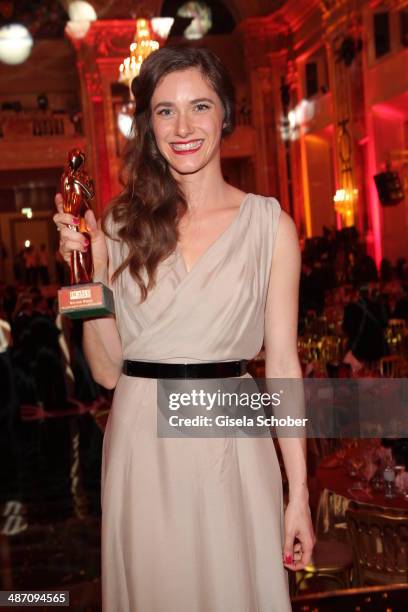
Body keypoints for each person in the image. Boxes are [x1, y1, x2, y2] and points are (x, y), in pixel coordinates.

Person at [53, 47, 314, 612]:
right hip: (142, 442)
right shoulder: (121, 224)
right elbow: (105, 371)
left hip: (235, 446)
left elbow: (286, 368)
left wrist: (300, 494)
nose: (184, 126)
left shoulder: (271, 226)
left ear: (225, 113)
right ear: (148, 125)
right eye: (165, 111)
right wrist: (92, 274)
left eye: (199, 105)